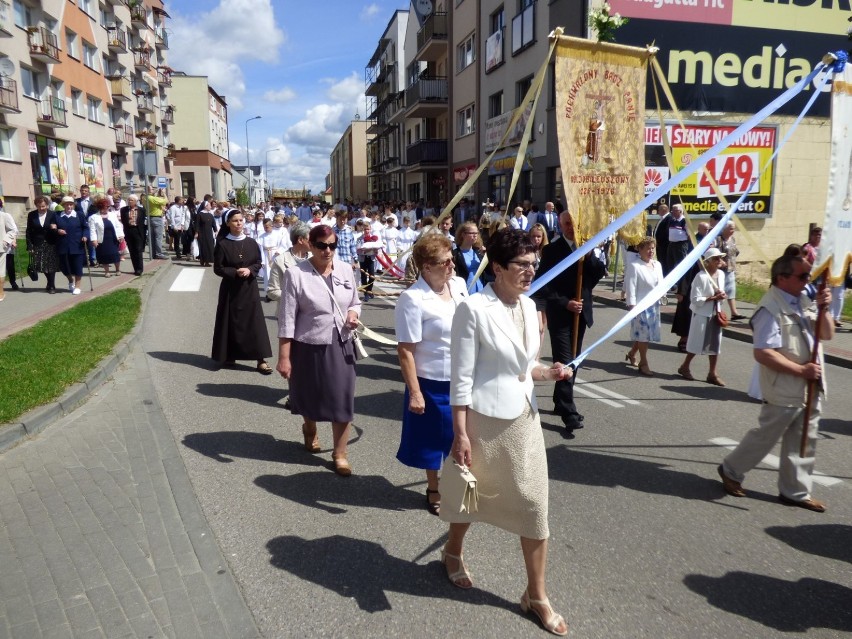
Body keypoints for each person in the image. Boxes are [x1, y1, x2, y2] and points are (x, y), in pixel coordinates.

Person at [441, 228, 570, 636]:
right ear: (497, 267)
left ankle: (536, 594)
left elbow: (525, 366)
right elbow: (460, 378)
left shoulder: (531, 307)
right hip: (483, 421)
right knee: (472, 496)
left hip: (524, 421)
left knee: (534, 504)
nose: (531, 271)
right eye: (522, 265)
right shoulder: (473, 309)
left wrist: (546, 372)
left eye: (534, 264)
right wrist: (460, 433)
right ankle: (452, 551)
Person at [719, 254, 835, 513]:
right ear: (782, 278)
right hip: (785, 385)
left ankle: (795, 491)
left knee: (804, 439)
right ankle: (731, 469)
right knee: (766, 436)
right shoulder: (769, 308)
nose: (808, 281)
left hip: (810, 384)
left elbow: (826, 334)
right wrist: (800, 369)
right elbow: (763, 353)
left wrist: (824, 309)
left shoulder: (805, 300)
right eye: (803, 276)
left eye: (809, 276)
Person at [277, 224, 361, 476]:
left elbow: (355, 300)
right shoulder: (296, 274)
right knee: (309, 394)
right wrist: (284, 356)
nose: (328, 250)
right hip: (308, 344)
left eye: (332, 246)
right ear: (310, 245)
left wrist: (353, 313)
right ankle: (310, 427)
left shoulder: (346, 270)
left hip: (342, 342)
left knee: (342, 397)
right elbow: (287, 317)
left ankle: (340, 453)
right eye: (322, 245)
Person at [395, 234, 467, 515]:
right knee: (432, 440)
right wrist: (415, 391)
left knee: (462, 435)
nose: (451, 265)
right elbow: (406, 350)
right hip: (431, 380)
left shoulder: (459, 286)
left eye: (451, 259)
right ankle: (434, 487)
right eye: (444, 262)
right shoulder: (413, 299)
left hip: (463, 377)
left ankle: (459, 484)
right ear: (426, 266)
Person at [532, 211, 606, 435]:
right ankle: (568, 412)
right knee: (564, 361)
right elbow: (544, 285)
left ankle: (559, 400)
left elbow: (595, 276)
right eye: (566, 224)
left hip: (581, 314)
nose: (570, 228)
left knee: (574, 360)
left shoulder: (587, 248)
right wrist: (566, 303)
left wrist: (591, 254)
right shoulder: (552, 251)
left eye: (574, 223)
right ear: (560, 225)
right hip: (561, 314)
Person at [211, 210, 273, 374]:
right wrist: (235, 272)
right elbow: (218, 268)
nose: (239, 223)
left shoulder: (252, 242)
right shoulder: (223, 244)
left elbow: (258, 262)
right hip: (231, 289)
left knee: (254, 323)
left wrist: (250, 270)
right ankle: (229, 355)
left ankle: (261, 359)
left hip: (249, 288)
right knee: (230, 322)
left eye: (241, 220)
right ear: (228, 223)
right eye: (235, 221)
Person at [678, 247, 727, 386]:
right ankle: (685, 366)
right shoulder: (700, 277)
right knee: (696, 342)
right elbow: (695, 299)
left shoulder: (721, 275)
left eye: (720, 258)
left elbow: (721, 294)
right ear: (708, 261)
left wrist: (721, 297)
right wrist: (713, 297)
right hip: (701, 313)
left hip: (715, 313)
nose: (719, 260)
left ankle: (712, 373)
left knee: (715, 344)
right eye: (716, 258)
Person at [624, 237, 664, 376]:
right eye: (647, 248)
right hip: (640, 306)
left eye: (652, 248)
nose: (650, 251)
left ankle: (631, 353)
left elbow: (661, 284)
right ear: (639, 250)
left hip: (653, 306)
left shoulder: (657, 265)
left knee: (645, 335)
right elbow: (631, 287)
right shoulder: (635, 266)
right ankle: (644, 362)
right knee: (643, 335)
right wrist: (632, 306)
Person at [53, 195, 90, 295]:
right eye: (67, 205)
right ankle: (70, 280)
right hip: (63, 245)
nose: (69, 207)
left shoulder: (79, 215)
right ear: (63, 206)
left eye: (71, 204)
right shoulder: (57, 215)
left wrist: (85, 236)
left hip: (77, 244)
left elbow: (86, 227)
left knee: (78, 266)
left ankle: (78, 286)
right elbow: (52, 228)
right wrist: (57, 230)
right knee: (64, 267)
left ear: (73, 205)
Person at [267, 222, 310, 303]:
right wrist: (295, 296)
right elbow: (272, 291)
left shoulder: (315, 257)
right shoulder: (280, 261)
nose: (313, 242)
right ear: (300, 240)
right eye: (310, 239)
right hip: (290, 312)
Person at [26, 196, 60, 293]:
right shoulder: (31, 215)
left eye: (43, 206)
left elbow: (57, 227)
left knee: (51, 264)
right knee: (42, 265)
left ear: (47, 205)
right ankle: (49, 282)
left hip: (51, 242)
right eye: (39, 206)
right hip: (38, 242)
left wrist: (55, 229)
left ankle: (52, 285)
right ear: (36, 206)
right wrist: (29, 245)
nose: (41, 208)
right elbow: (29, 231)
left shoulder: (52, 214)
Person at [715, 221, 745, 320]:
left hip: (731, 268)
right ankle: (717, 311)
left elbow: (735, 251)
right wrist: (721, 262)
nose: (733, 230)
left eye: (734, 228)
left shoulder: (732, 239)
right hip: (720, 270)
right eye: (731, 228)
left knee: (731, 290)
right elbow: (715, 253)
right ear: (724, 228)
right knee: (720, 291)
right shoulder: (718, 239)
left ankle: (734, 312)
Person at [88, 196, 124, 278]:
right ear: (100, 207)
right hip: (102, 239)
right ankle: (107, 271)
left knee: (115, 255)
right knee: (104, 256)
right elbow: (92, 230)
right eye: (106, 207)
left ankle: (117, 269)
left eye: (108, 206)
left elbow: (118, 225)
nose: (108, 208)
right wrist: (94, 240)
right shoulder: (93, 217)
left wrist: (121, 235)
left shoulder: (112, 215)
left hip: (113, 238)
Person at [452, 222, 485, 294]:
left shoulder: (478, 251)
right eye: (472, 233)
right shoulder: (456, 253)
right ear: (463, 234)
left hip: (481, 288)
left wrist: (486, 256)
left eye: (476, 233)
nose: (475, 235)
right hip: (466, 288)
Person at [119, 195, 147, 276]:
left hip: (138, 231)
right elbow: (123, 221)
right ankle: (135, 268)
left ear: (136, 201)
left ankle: (139, 269)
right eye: (128, 200)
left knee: (138, 250)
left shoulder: (141, 210)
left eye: (131, 200)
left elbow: (143, 222)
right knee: (132, 251)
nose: (129, 201)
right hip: (128, 231)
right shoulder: (123, 210)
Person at [0, 201, 17, 301]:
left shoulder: (4, 216)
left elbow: (13, 230)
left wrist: (6, 241)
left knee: (1, 271)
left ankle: (1, 292)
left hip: (1, 248)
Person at [145, 188, 169, 259]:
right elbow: (166, 201)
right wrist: (164, 193)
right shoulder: (152, 198)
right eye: (152, 189)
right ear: (149, 191)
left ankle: (153, 253)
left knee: (152, 237)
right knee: (158, 237)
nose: (154, 190)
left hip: (150, 218)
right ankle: (159, 253)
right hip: (157, 218)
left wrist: (155, 193)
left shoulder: (145, 198)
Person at [195, 200, 216, 267]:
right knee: (203, 247)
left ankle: (207, 261)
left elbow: (213, 223)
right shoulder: (200, 214)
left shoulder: (210, 214)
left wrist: (216, 231)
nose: (210, 206)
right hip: (202, 233)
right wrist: (196, 232)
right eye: (209, 205)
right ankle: (202, 259)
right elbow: (197, 224)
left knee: (210, 246)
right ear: (205, 206)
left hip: (209, 233)